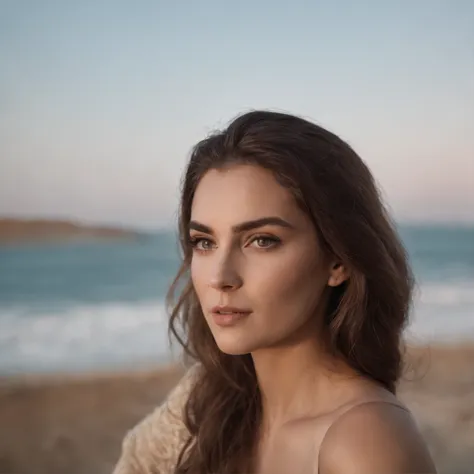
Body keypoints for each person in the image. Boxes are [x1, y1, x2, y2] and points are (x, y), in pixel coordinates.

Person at [113, 110, 437, 474]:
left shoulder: (365, 443)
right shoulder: (205, 401)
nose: (220, 277)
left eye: (262, 240)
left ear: (337, 260)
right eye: (204, 242)